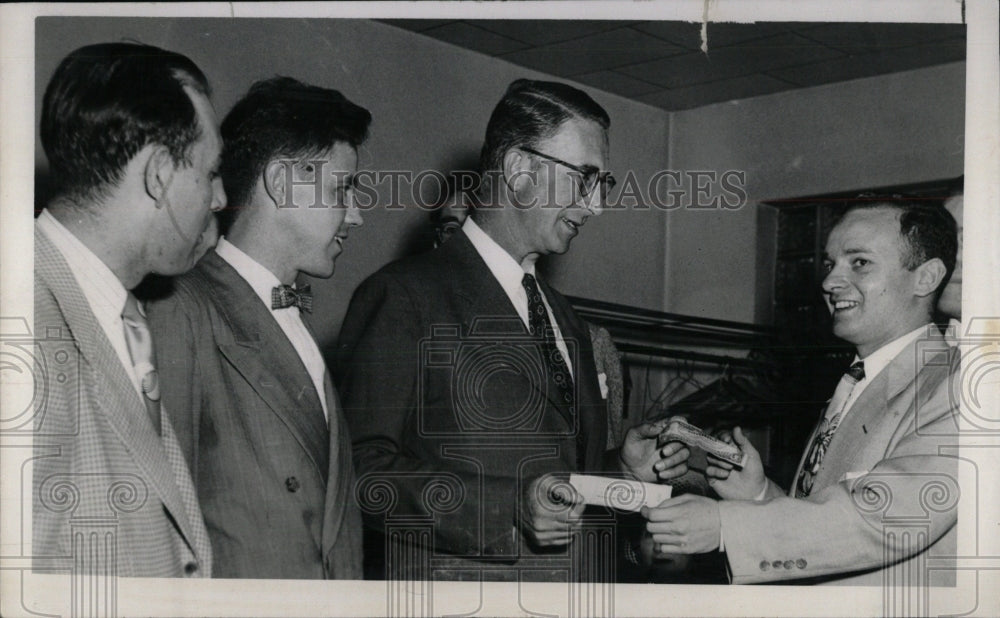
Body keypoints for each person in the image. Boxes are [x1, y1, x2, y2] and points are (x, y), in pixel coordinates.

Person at [336, 79, 685, 581]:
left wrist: (620, 471)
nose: (596, 206)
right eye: (584, 178)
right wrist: (507, 510)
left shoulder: (566, 319)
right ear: (520, 169)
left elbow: (558, 479)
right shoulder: (404, 296)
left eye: (601, 185)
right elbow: (356, 472)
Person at [642, 198, 960, 584]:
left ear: (925, 278)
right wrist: (758, 494)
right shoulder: (860, 378)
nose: (829, 282)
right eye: (830, 264)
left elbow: (889, 516)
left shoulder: (956, 384)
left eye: (859, 262)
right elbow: (826, 530)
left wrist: (726, 525)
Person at [146, 77, 369, 579]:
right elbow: (160, 528)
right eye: (343, 189)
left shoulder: (292, 320)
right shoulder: (181, 307)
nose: (356, 214)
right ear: (281, 183)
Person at [32, 42, 224, 577]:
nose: (219, 198)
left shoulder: (116, 313)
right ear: (159, 174)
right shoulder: (23, 321)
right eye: (211, 172)